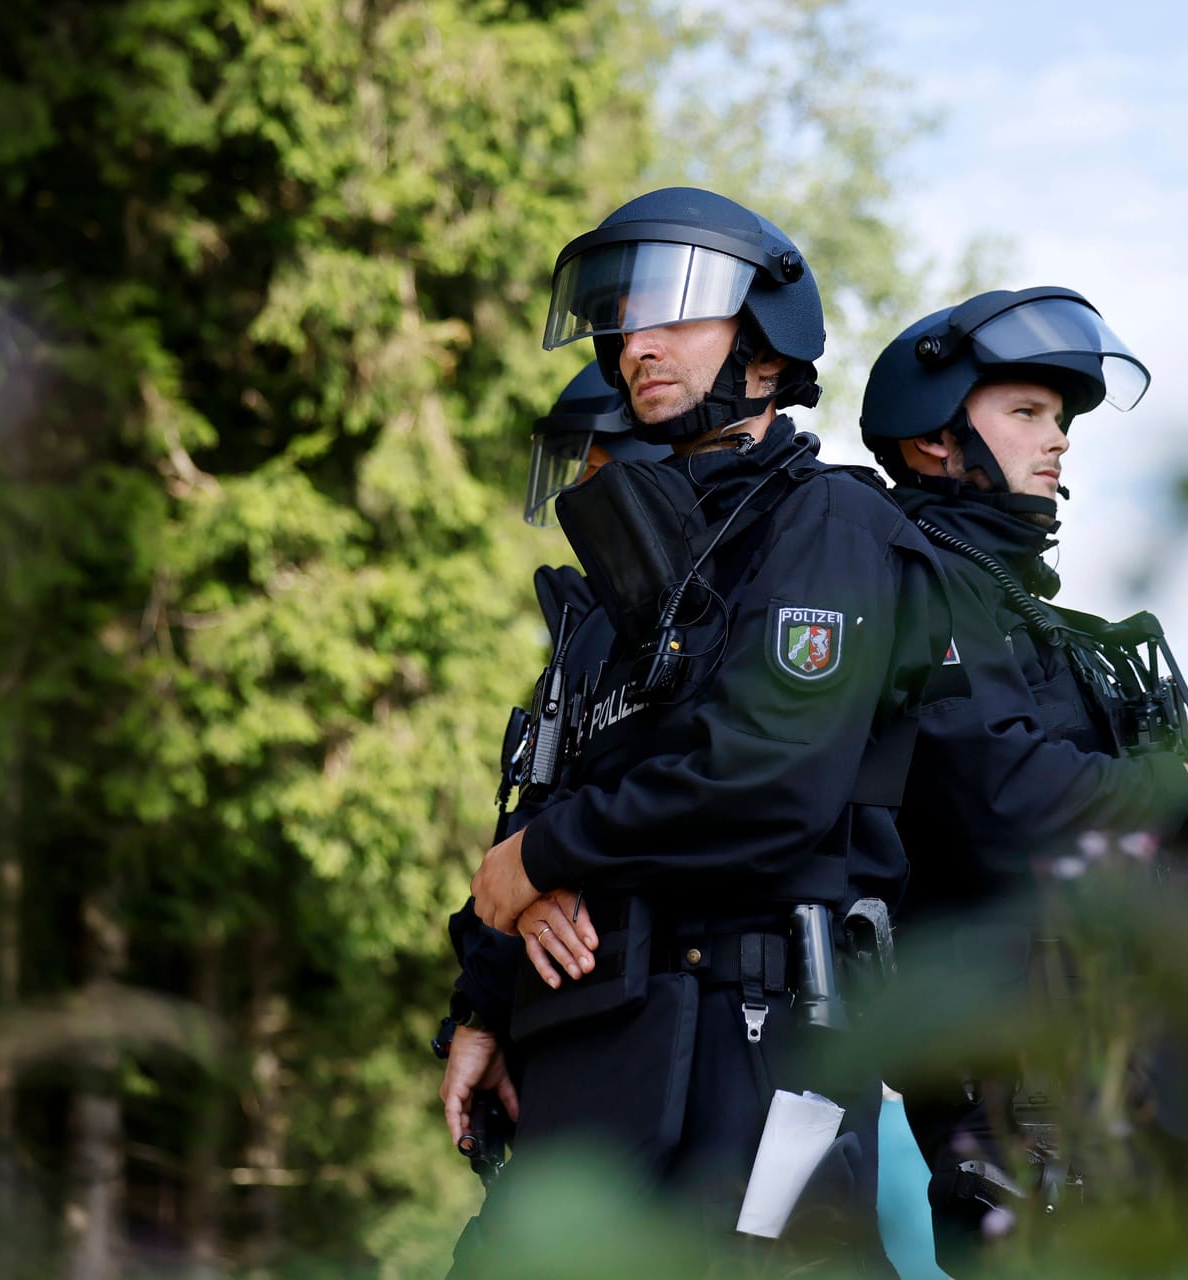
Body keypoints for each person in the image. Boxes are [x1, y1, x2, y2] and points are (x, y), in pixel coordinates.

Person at [450, 187, 957, 1271]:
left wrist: (546, 857)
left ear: (767, 342)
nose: (638, 342)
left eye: (677, 311)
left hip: (753, 1061)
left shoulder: (824, 523)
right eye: (625, 320)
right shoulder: (628, 593)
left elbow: (767, 778)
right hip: (588, 1063)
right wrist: (484, 996)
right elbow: (537, 814)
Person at [859, 286, 1188, 1277]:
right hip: (1024, 1088)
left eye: (1065, 419)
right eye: (1027, 412)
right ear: (931, 440)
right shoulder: (918, 581)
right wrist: (1182, 784)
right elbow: (1012, 800)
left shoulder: (1023, 613)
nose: (1059, 440)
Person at [434, 360, 670, 1145]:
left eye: (596, 466)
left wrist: (542, 862)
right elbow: (524, 827)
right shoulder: (589, 627)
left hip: (678, 1042)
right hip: (565, 1037)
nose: (580, 493)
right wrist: (480, 1010)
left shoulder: (712, 607)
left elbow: (712, 796)